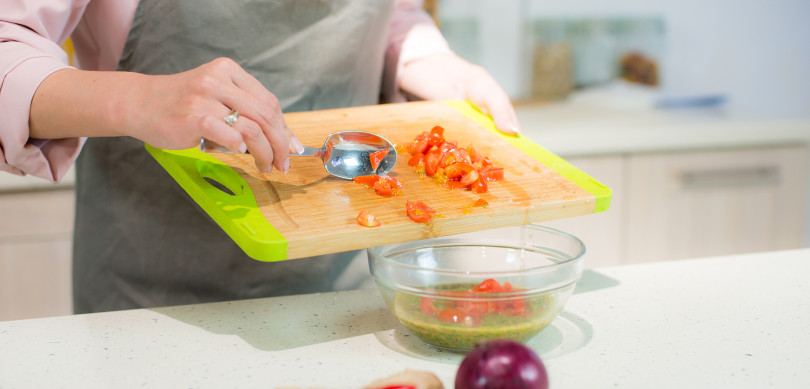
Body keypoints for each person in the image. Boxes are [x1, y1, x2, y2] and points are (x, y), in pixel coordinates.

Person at [1, 0, 521, 314]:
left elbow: (391, 14)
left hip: (349, 283)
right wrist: (136, 99)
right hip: (150, 294)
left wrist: (431, 61)